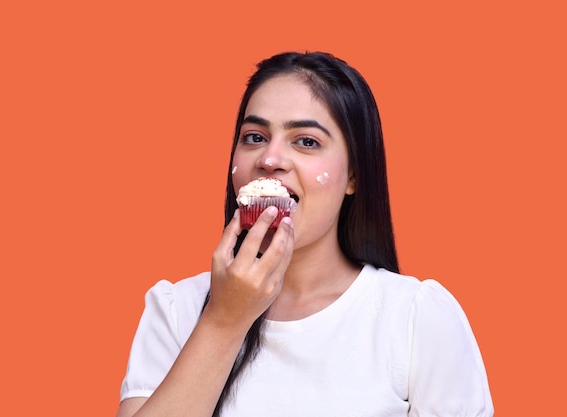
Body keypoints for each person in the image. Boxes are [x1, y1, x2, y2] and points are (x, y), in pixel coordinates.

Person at [116, 51, 494, 417]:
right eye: (254, 136)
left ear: (353, 176)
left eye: (306, 142)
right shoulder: (175, 310)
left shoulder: (416, 319)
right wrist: (223, 319)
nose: (269, 159)